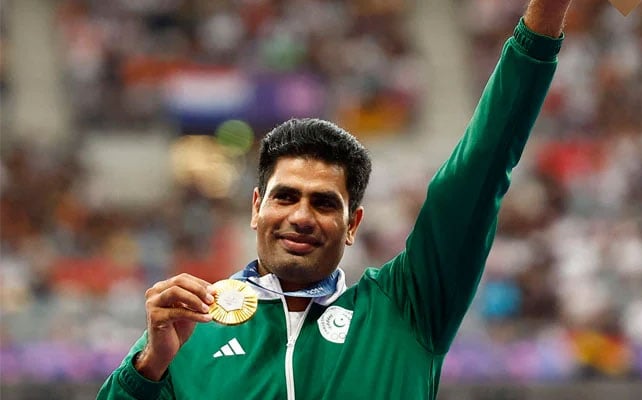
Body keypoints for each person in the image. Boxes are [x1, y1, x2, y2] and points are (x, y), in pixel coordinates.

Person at [98, 0, 572, 398]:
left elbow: (478, 174)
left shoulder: (406, 308)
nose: (301, 216)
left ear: (353, 224)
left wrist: (544, 19)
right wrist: (148, 366)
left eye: (324, 203)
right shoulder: (188, 334)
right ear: (256, 207)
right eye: (285, 197)